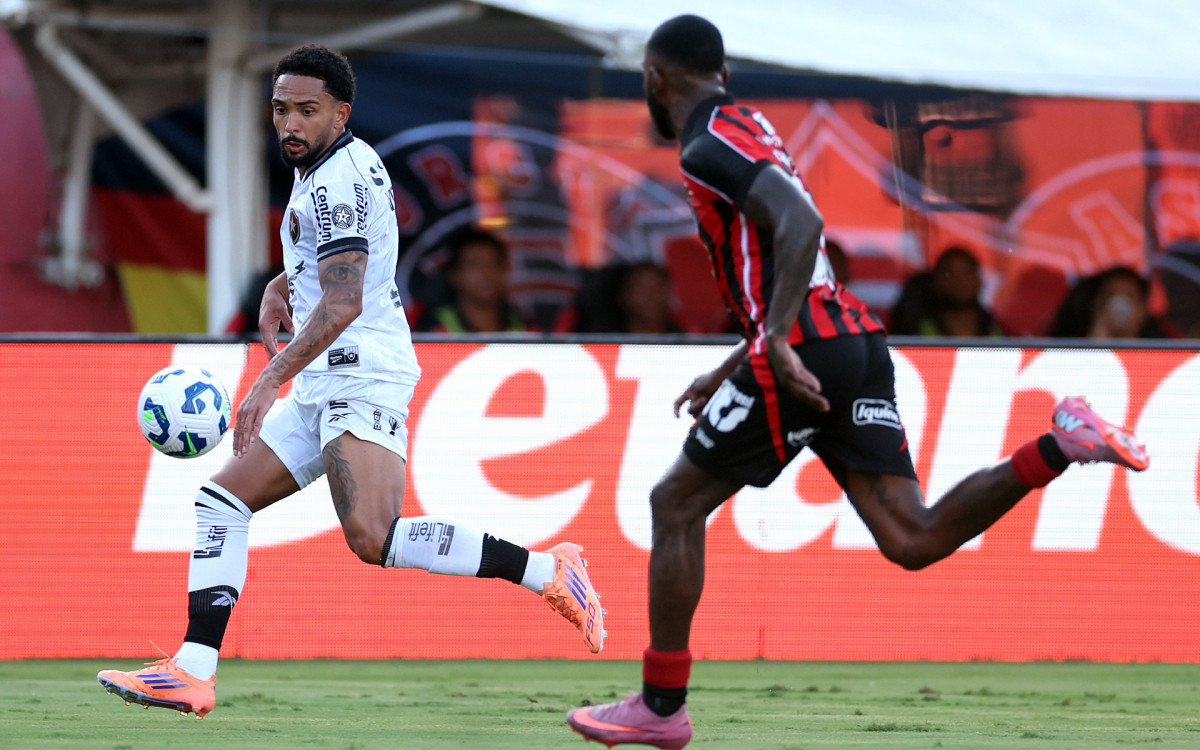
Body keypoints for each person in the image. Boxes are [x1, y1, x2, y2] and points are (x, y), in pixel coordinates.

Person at [566, 16, 1149, 750]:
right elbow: (791, 252)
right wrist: (741, 356)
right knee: (912, 537)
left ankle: (660, 705)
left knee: (674, 503)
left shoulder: (706, 140)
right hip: (852, 340)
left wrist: (775, 339)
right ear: (722, 73)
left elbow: (802, 222)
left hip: (808, 344)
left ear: (654, 77)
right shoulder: (747, 124)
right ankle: (1062, 445)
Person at [97, 44, 604, 720]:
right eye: (281, 109)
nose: (290, 123)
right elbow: (348, 255)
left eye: (307, 110)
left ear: (341, 112)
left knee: (374, 537)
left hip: (361, 372)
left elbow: (343, 301)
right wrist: (285, 281)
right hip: (325, 375)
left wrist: (267, 380)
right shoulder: (332, 165)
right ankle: (192, 670)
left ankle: (549, 570)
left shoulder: (336, 179)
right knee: (222, 502)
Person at [414, 229, 533, 333]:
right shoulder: (432, 326)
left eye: (493, 264)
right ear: (454, 275)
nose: (485, 273)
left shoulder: (524, 323)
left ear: (504, 270)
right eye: (474, 265)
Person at [889, 246, 1004, 337]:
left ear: (979, 281)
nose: (959, 280)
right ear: (934, 281)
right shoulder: (912, 332)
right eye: (949, 273)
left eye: (967, 272)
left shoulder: (999, 332)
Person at [1050, 266, 1170, 339]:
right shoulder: (1065, 351)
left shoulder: (1161, 353)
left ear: (1143, 309)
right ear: (1096, 304)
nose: (1119, 303)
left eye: (1129, 296)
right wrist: (1100, 332)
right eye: (1110, 295)